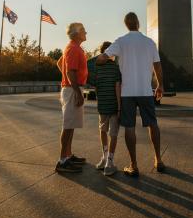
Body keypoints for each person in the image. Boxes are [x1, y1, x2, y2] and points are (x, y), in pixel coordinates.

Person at [96, 12, 164, 177]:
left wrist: (100, 61)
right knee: (152, 124)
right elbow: (157, 65)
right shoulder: (149, 42)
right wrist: (160, 85)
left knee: (129, 127)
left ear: (126, 24)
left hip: (127, 92)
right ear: (138, 23)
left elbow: (102, 58)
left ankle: (133, 165)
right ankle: (158, 159)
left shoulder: (121, 41)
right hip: (145, 90)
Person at [55, 22, 88, 173]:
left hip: (71, 88)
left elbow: (60, 63)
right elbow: (70, 71)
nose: (86, 32)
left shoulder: (73, 48)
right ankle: (62, 161)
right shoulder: (74, 48)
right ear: (76, 33)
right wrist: (75, 90)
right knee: (68, 125)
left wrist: (66, 81)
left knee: (71, 124)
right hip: (72, 89)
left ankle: (67, 156)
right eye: (83, 30)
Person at [89, 41, 121, 176]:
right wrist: (120, 107)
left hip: (102, 105)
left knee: (103, 131)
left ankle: (104, 156)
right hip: (114, 106)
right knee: (113, 134)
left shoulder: (96, 68)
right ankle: (109, 161)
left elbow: (94, 84)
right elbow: (117, 87)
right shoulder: (115, 67)